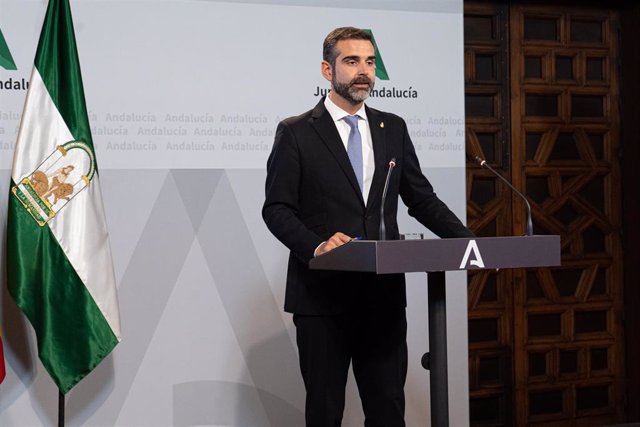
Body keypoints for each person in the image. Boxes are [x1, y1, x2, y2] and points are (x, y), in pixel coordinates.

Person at [262, 27, 474, 427]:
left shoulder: (392, 127)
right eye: (352, 61)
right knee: (325, 413)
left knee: (388, 410)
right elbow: (276, 209)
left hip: (383, 300)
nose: (364, 71)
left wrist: (469, 243)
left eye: (370, 61)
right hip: (322, 302)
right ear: (328, 69)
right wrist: (317, 245)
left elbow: (421, 198)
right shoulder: (296, 132)